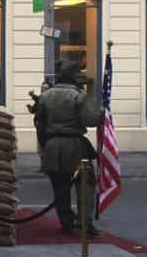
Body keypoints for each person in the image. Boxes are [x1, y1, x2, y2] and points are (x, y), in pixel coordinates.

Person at [35, 62, 102, 235]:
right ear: (73, 76)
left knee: (60, 189)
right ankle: (84, 223)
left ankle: (66, 222)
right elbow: (90, 121)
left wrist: (45, 146)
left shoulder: (45, 96)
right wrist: (100, 113)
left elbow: (39, 124)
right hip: (75, 145)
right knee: (85, 186)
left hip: (52, 145)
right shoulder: (79, 96)